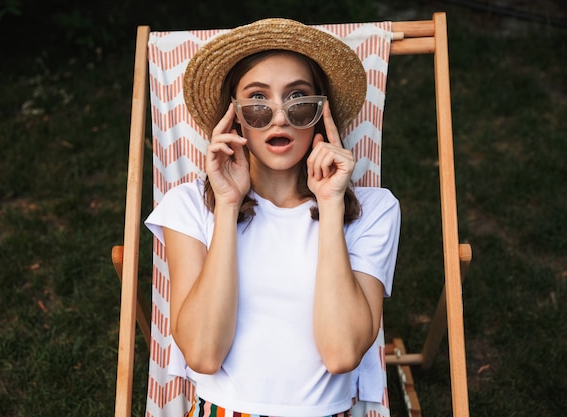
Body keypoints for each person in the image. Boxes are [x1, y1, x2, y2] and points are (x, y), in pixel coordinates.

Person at [145, 18, 400, 417]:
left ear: (320, 113)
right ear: (234, 118)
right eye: (258, 102)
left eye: (298, 100)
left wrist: (331, 207)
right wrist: (228, 205)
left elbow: (341, 353)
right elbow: (203, 354)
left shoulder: (374, 210)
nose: (279, 117)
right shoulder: (192, 205)